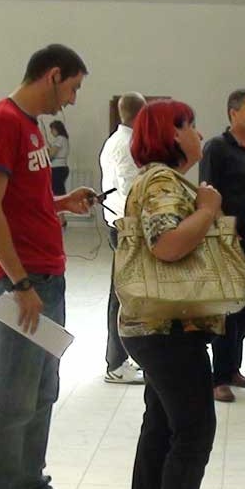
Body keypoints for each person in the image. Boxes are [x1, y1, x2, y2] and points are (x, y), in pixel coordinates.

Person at [0, 44, 97, 489]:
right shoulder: (2, 122)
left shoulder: (30, 126)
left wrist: (61, 203)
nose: (73, 99)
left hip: (47, 279)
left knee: (42, 390)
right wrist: (20, 284)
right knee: (11, 398)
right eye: (73, 88)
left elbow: (21, 200)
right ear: (53, 75)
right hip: (23, 282)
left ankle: (30, 486)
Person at [117, 99, 223, 489]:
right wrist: (208, 211)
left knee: (161, 428)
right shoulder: (163, 181)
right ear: (173, 133)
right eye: (192, 125)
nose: (199, 133)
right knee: (194, 432)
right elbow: (167, 244)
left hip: (154, 326)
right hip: (168, 329)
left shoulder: (158, 179)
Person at [199, 88, 245, 403]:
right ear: (233, 113)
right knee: (228, 310)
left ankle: (233, 367)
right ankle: (219, 378)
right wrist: (225, 230)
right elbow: (207, 191)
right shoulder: (217, 148)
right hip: (228, 241)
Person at [100, 92, 147, 385]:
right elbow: (132, 191)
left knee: (125, 294)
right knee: (122, 296)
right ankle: (115, 363)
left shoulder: (116, 140)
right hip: (126, 226)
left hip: (120, 223)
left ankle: (123, 358)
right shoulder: (127, 144)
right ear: (140, 114)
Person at [48, 120, 70, 196]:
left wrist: (47, 157)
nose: (51, 132)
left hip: (57, 168)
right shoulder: (64, 139)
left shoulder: (59, 138)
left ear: (56, 129)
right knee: (60, 190)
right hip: (62, 167)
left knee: (57, 191)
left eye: (52, 130)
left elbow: (52, 154)